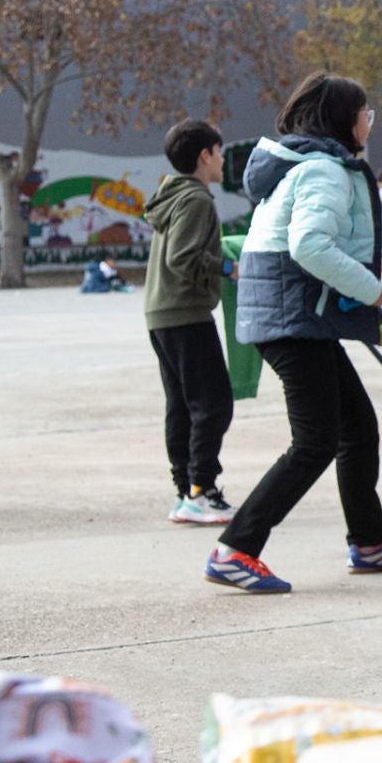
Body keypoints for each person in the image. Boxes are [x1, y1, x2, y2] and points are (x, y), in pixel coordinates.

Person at [210, 72, 382, 593]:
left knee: (356, 428)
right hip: (292, 321)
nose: (368, 122)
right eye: (364, 113)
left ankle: (369, 544)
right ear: (342, 120)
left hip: (297, 318)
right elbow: (309, 246)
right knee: (315, 442)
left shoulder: (306, 166)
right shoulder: (324, 172)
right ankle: (235, 550)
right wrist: (374, 290)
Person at [144, 118, 237, 526]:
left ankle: (186, 491)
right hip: (186, 312)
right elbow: (181, 257)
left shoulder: (171, 194)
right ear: (205, 155)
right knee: (213, 404)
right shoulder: (196, 199)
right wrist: (228, 268)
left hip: (161, 314)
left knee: (182, 406)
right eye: (219, 151)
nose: (222, 159)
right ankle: (202, 490)